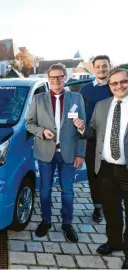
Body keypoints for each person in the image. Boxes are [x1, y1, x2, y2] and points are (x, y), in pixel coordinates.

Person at [74, 68, 128, 268]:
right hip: (105, 168)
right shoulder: (102, 105)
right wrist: (81, 127)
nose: (119, 86)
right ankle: (114, 242)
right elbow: (92, 131)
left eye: (123, 82)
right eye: (114, 83)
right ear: (109, 86)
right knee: (111, 211)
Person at [26, 63, 86, 242]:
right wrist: (42, 132)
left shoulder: (76, 99)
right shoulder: (38, 99)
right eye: (53, 77)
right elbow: (29, 124)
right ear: (48, 79)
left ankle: (67, 223)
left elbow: (84, 129)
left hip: (68, 154)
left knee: (68, 192)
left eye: (60, 77)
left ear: (65, 78)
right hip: (46, 153)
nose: (56, 80)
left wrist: (80, 154)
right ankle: (46, 220)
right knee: (45, 190)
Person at [79, 55, 113, 223]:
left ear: (109, 66)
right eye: (98, 66)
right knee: (94, 175)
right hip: (92, 140)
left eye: (104, 66)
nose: (101, 69)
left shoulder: (115, 87)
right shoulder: (85, 90)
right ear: (93, 69)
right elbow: (80, 114)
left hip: (114, 139)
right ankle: (98, 208)